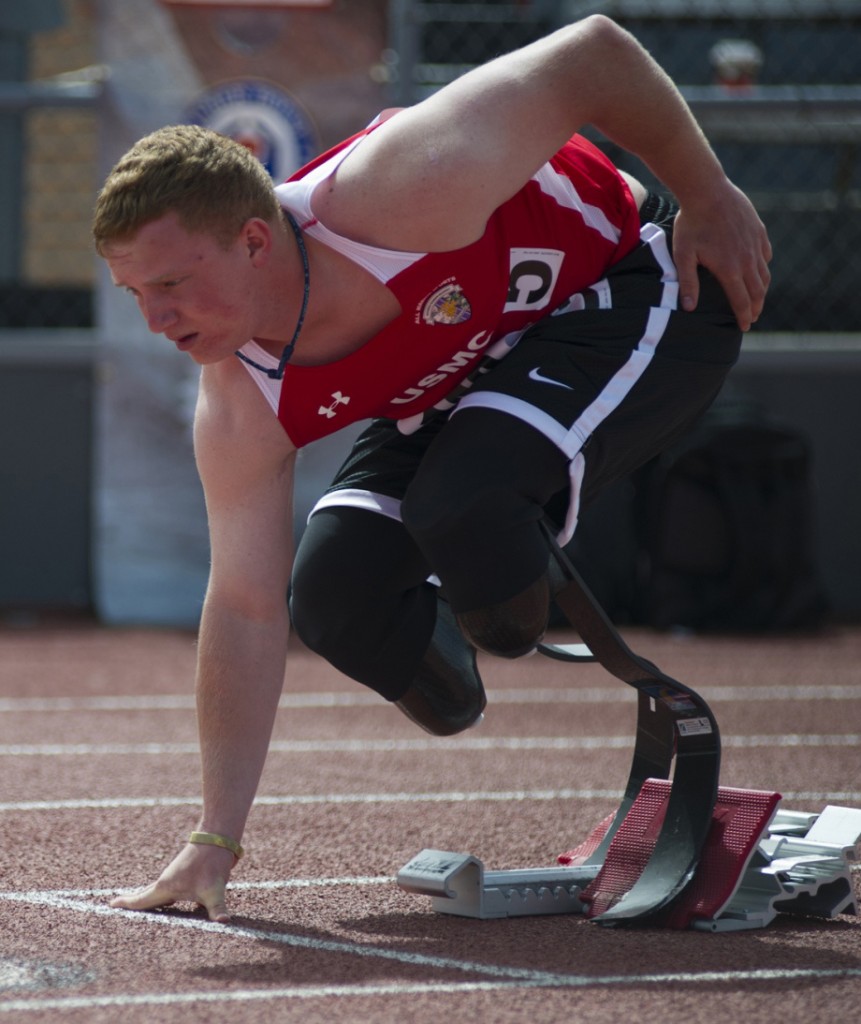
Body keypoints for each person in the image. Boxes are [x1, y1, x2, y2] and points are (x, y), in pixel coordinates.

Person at [93, 14, 771, 923]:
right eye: (135, 294)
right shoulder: (239, 400)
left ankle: (497, 573)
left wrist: (706, 192)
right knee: (329, 592)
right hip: (465, 375)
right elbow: (245, 606)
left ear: (256, 241)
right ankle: (486, 609)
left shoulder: (398, 189)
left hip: (637, 288)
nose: (155, 319)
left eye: (172, 284)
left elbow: (595, 52)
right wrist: (213, 842)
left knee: (466, 507)